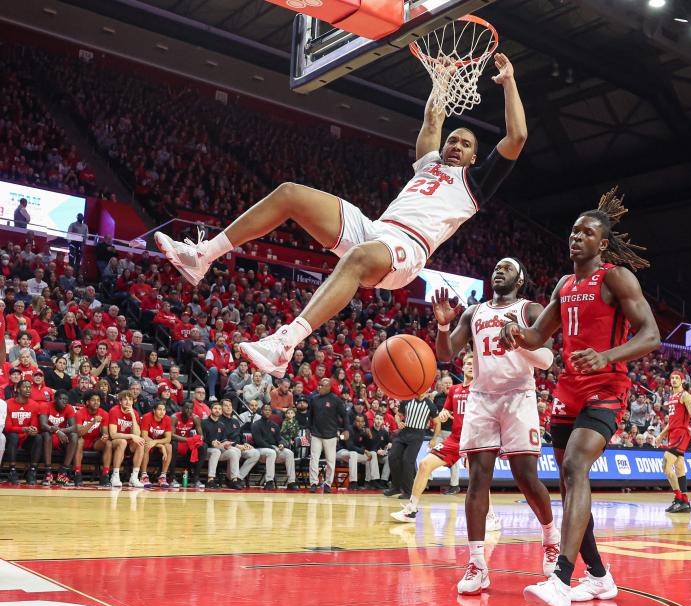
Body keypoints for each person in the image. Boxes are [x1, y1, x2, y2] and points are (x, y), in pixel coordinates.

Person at [155, 53, 527, 378]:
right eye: (454, 140)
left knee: (357, 257)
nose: (456, 145)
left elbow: (518, 137)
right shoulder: (429, 164)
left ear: (474, 157)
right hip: (376, 228)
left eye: (465, 143)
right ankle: (202, 257)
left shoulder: (475, 183)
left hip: (407, 250)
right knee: (289, 194)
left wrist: (508, 82)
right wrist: (442, 80)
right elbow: (433, 121)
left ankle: (285, 343)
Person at [499, 189, 661, 606]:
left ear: (602, 243)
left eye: (586, 232)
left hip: (607, 387)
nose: (576, 237)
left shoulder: (616, 277)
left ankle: (560, 579)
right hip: (567, 390)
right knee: (571, 485)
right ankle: (600, 577)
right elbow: (538, 337)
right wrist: (515, 335)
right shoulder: (565, 283)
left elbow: (651, 335)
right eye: (573, 231)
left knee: (574, 467)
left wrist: (607, 355)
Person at [434, 258, 561, 596]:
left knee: (526, 477)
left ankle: (551, 540)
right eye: (496, 267)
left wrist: (520, 341)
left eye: (508, 267)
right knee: (477, 481)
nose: (499, 270)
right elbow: (446, 354)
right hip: (482, 399)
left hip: (519, 396)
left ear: (520, 279)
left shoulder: (531, 310)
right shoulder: (472, 313)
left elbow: (547, 361)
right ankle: (477, 563)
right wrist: (444, 327)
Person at [391, 354, 491, 525]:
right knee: (424, 465)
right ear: (463, 368)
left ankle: (490, 517)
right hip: (454, 439)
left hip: (476, 439)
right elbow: (444, 414)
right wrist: (444, 414)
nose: (471, 366)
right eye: (467, 363)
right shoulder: (454, 390)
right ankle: (411, 509)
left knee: (479, 478)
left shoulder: (482, 388)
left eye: (474, 364)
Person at [656, 371, 691, 512]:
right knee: (679, 469)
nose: (674, 380)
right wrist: (661, 435)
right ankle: (685, 502)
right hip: (673, 433)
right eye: (672, 378)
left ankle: (678, 498)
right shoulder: (672, 397)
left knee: (665, 465)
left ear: (682, 381)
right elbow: (671, 421)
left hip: (681, 434)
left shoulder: (686, 396)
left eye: (677, 378)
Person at [384, 391, 439, 501]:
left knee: (407, 461)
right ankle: (395, 487)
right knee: (392, 456)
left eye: (425, 390)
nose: (423, 392)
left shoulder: (430, 405)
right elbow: (397, 415)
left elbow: (437, 423)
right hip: (404, 432)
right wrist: (399, 422)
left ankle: (408, 491)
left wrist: (434, 439)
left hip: (417, 435)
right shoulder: (407, 400)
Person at [306, 378, 349, 493]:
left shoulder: (336, 400)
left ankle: (328, 484)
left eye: (322, 385)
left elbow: (345, 415)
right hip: (316, 434)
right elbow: (310, 416)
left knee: (330, 461)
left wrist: (346, 430)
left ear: (329, 387)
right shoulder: (314, 399)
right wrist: (307, 429)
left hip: (331, 435)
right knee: (314, 459)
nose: (319, 387)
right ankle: (313, 483)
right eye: (319, 385)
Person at [4, 379, 44, 485]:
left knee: (38, 438)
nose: (28, 389)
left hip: (26, 439)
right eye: (25, 387)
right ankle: (12, 471)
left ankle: (32, 471)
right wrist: (23, 429)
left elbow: (34, 425)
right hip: (12, 439)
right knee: (13, 436)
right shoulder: (7, 404)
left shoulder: (35, 405)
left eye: (29, 387)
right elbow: (8, 428)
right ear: (17, 389)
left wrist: (34, 430)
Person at [251, 404, 299, 490]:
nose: (268, 411)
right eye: (265, 410)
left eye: (269, 410)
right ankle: (269, 481)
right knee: (271, 452)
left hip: (274, 449)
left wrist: (281, 444)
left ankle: (291, 482)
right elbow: (258, 441)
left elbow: (279, 439)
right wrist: (272, 448)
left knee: (289, 453)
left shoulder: (275, 425)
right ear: (261, 411)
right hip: (260, 450)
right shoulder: (256, 424)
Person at [38, 391, 77, 486]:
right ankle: (48, 472)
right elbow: (43, 425)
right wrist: (57, 431)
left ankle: (63, 472)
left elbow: (74, 427)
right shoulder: (45, 406)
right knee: (47, 434)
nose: (65, 402)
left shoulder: (69, 408)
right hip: (47, 438)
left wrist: (61, 431)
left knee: (74, 436)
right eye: (62, 399)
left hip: (61, 437)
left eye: (66, 400)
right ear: (55, 399)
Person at [107, 390, 144, 488]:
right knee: (123, 442)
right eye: (125, 399)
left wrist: (132, 416)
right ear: (120, 401)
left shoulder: (135, 413)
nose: (128, 402)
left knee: (141, 443)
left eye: (130, 399)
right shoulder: (114, 410)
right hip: (115, 442)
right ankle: (115, 476)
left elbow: (137, 434)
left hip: (129, 443)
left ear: (133, 401)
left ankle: (134, 477)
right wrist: (131, 436)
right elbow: (113, 434)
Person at [74, 390, 110, 487]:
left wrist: (104, 436)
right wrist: (93, 422)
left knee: (108, 443)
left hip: (95, 442)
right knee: (79, 441)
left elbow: (105, 431)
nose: (96, 402)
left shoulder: (104, 414)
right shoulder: (80, 413)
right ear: (87, 402)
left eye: (98, 400)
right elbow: (79, 433)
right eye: (93, 400)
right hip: (83, 440)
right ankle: (77, 473)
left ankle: (105, 475)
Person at [141, 402, 173, 488]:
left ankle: (163, 476)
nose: (162, 412)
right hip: (148, 441)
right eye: (159, 409)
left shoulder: (167, 419)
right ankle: (143, 475)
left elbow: (168, 438)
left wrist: (156, 442)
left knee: (169, 446)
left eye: (164, 410)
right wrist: (161, 446)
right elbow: (144, 436)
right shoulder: (147, 417)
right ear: (154, 410)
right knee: (146, 445)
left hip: (156, 442)